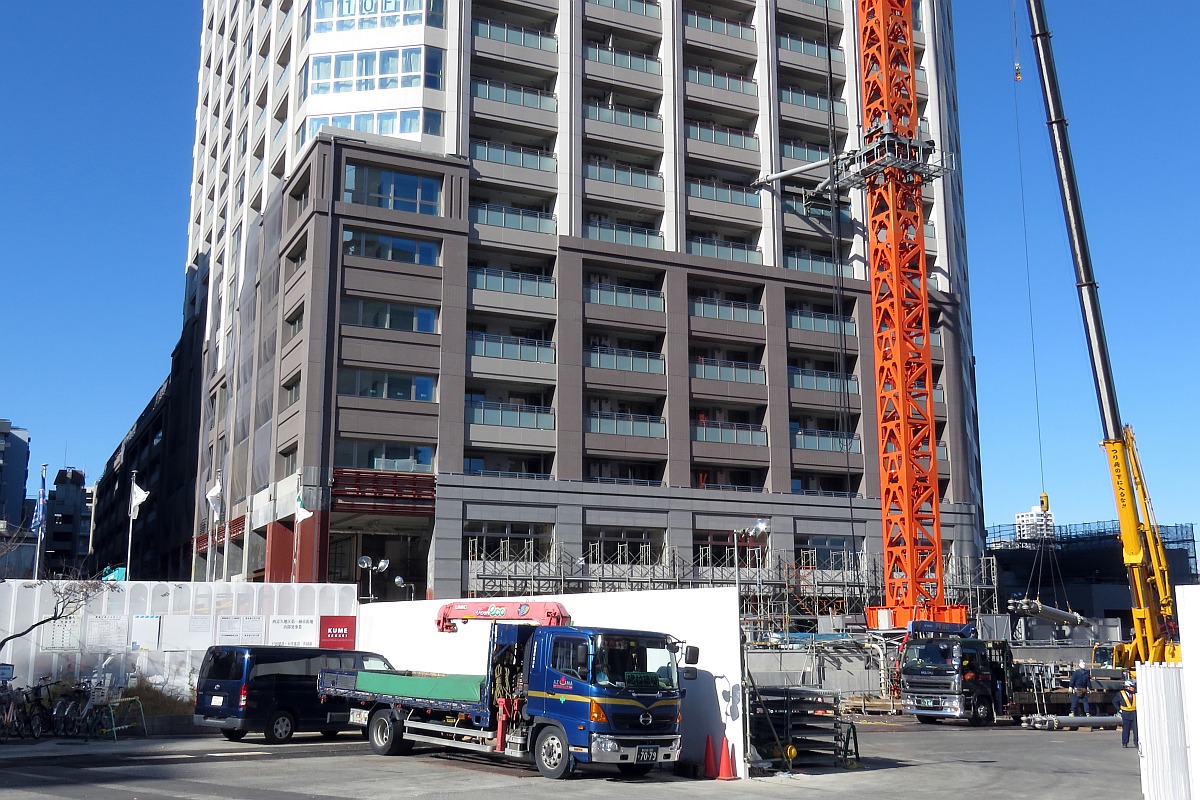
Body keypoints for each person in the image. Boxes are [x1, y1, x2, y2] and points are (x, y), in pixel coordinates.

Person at [1115, 680, 1137, 748]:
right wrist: (1119, 710)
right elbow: (1114, 701)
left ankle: (1136, 743)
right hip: (1125, 713)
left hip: (1134, 713)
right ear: (1127, 687)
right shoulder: (1121, 693)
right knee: (1126, 729)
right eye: (1132, 687)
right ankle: (1125, 742)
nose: (1133, 688)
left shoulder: (1135, 693)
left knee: (1136, 730)